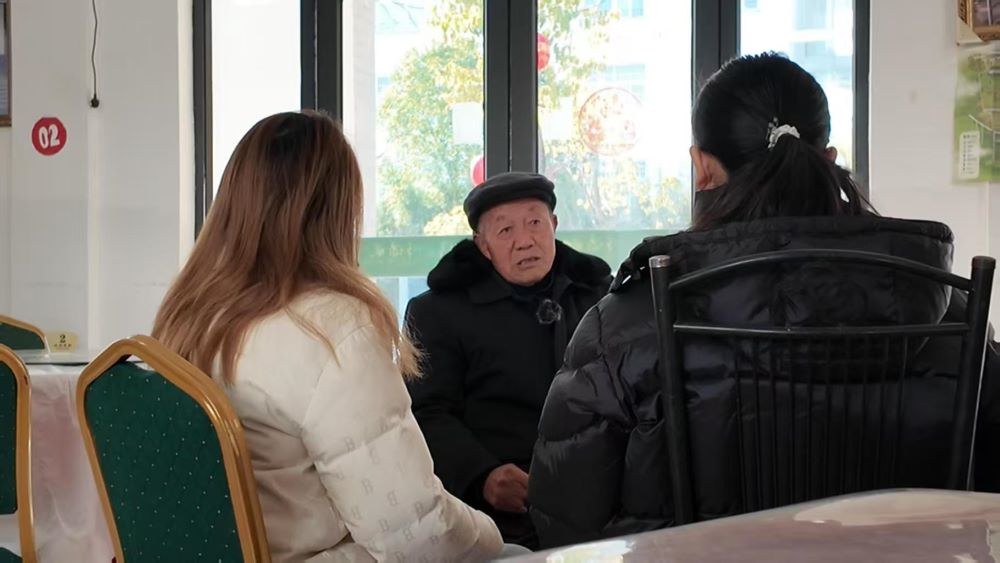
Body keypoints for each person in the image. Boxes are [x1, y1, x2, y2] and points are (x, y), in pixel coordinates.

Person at [528, 53, 1000, 548]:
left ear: (701, 167)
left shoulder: (626, 324)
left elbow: (565, 518)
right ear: (829, 158)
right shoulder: (951, 315)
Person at [152, 111, 503, 562]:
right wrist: (492, 536)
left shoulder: (185, 317)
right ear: (339, 209)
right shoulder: (334, 327)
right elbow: (415, 537)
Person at [405, 172, 612, 548]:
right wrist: (482, 475)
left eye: (535, 223)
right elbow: (426, 411)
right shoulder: (437, 312)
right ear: (482, 246)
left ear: (554, 225)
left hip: (599, 499)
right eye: (505, 231)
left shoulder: (599, 296)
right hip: (498, 513)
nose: (524, 241)